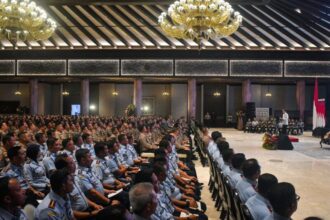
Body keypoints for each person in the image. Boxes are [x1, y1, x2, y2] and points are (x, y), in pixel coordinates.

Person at [55, 153, 103, 219]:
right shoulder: (63, 186)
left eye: (74, 162)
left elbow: (82, 197)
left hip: (88, 210)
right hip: (80, 216)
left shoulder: (75, 177)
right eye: (71, 163)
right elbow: (69, 211)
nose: (75, 165)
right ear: (64, 168)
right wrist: (91, 213)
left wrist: (95, 205)